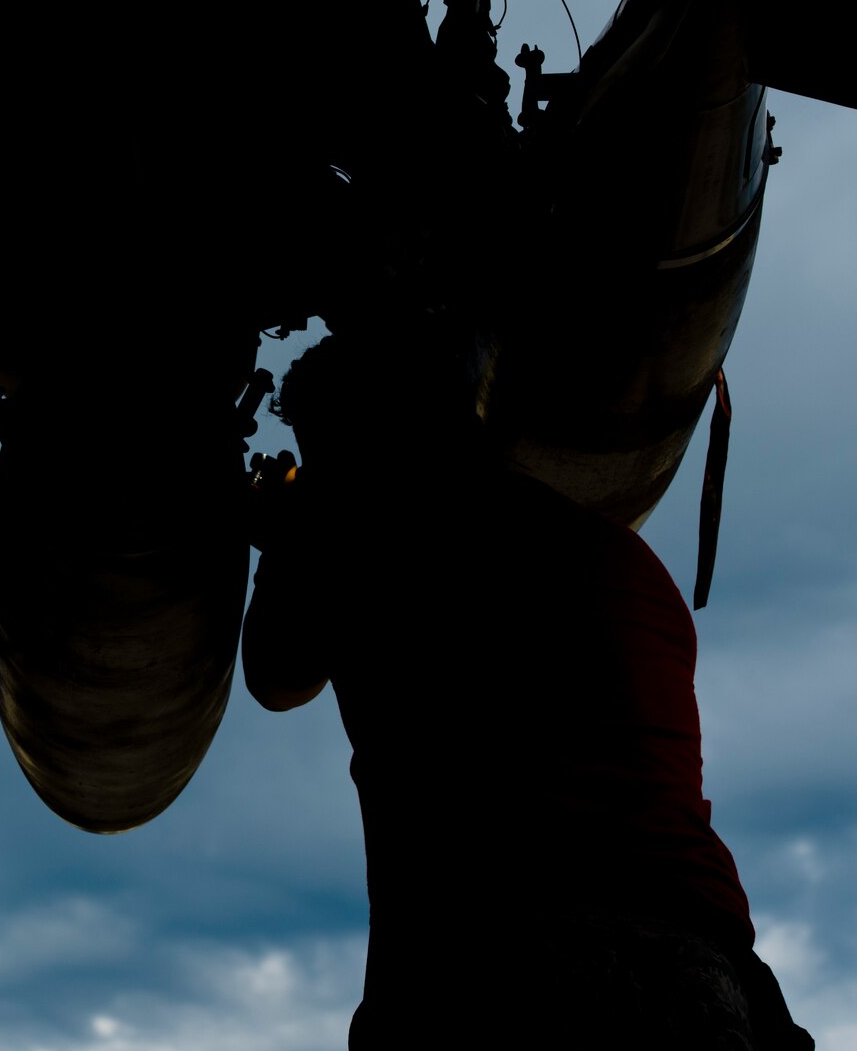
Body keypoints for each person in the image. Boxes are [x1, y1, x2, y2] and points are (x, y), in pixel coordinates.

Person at [242, 332, 811, 1048]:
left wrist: (289, 536)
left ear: (363, 442)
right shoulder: (618, 553)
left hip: (500, 968)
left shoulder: (380, 543)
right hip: (706, 974)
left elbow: (275, 674)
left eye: (322, 453)